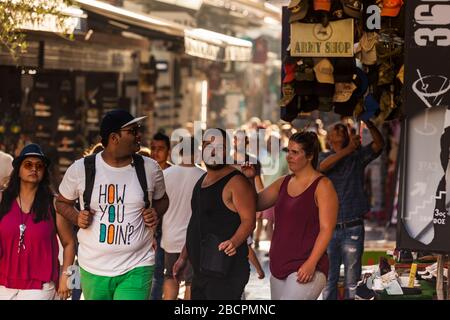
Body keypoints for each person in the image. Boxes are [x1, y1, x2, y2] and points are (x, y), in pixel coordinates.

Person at [56, 110, 169, 300]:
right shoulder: (81, 169)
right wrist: (76, 216)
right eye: (132, 131)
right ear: (114, 138)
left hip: (138, 264)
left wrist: (154, 212)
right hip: (93, 267)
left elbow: (163, 200)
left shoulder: (150, 168)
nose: (138, 135)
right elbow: (61, 202)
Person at [251, 131, 338, 300]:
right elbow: (256, 202)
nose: (289, 156)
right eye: (288, 151)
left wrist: (311, 263)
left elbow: (327, 229)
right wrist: (253, 177)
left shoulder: (323, 185)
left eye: (295, 152)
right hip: (278, 266)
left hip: (306, 266)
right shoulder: (283, 182)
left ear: (310, 156)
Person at [173, 128, 256, 300]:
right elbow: (195, 223)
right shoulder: (201, 181)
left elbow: (249, 221)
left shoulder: (236, 181)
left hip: (226, 273)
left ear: (228, 150)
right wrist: (183, 257)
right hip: (201, 272)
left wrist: (233, 242)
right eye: (208, 145)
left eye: (220, 146)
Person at [0, 144, 75, 300]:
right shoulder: (2, 200)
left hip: (40, 287)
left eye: (39, 166)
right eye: (28, 164)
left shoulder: (53, 204)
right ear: (18, 170)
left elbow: (69, 243)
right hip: (3, 284)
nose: (34, 168)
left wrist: (67, 278)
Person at [320, 120, 384, 300]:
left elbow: (379, 145)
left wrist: (369, 123)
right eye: (335, 128)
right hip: (329, 229)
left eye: (343, 129)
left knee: (352, 281)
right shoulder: (322, 157)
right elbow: (322, 168)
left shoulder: (356, 158)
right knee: (329, 280)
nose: (339, 128)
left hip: (353, 226)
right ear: (328, 139)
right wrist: (348, 150)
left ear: (348, 137)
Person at [161, 137, 205, 300]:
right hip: (193, 239)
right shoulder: (204, 176)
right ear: (198, 152)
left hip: (170, 237)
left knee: (170, 276)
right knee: (191, 281)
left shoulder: (165, 174)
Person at [150, 132, 171, 300]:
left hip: (172, 229)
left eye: (161, 149)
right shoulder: (146, 172)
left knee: (169, 274)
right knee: (155, 274)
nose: (156, 152)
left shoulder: (173, 173)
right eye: (153, 148)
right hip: (153, 230)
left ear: (168, 151)